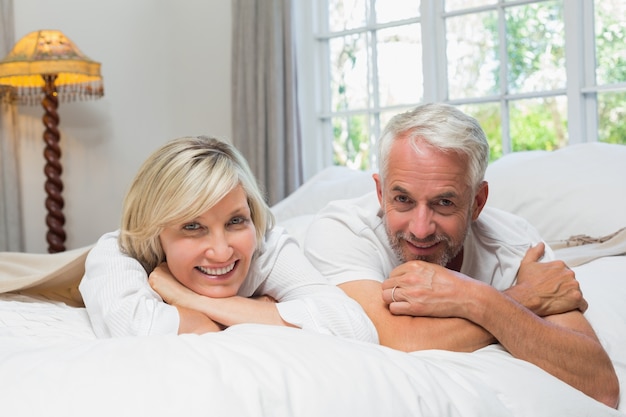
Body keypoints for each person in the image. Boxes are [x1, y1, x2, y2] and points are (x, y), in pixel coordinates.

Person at [303, 103, 619, 407]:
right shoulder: (341, 230)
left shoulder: (517, 246)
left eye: (444, 203)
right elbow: (401, 341)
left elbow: (600, 386)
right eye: (402, 199)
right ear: (380, 193)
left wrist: (479, 300)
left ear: (478, 202)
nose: (421, 229)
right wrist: (514, 299)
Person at [79, 136, 377, 344]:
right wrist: (255, 311)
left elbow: (356, 328)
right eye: (193, 226)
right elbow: (134, 329)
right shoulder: (118, 251)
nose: (222, 252)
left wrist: (190, 301)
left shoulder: (266, 246)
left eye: (236, 221)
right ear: (156, 232)